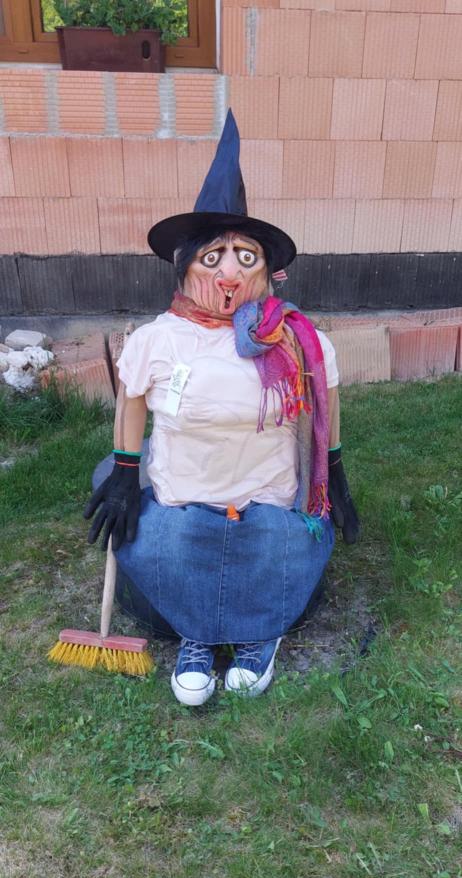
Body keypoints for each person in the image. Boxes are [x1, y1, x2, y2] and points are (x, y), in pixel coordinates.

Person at [84, 110, 360, 706]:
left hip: (267, 497)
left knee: (274, 546)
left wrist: (333, 469)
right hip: (183, 495)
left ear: (268, 271)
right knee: (174, 543)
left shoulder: (298, 339)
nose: (230, 271)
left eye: (245, 256)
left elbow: (326, 405)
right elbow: (132, 403)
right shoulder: (157, 339)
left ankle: (260, 634)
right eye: (213, 257)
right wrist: (126, 471)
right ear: (185, 266)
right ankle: (198, 635)